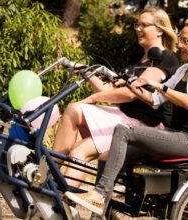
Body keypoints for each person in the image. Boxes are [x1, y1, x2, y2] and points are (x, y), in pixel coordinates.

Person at [80, 10, 188, 216]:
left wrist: (158, 86)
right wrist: (133, 84)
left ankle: (100, 193)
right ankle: (100, 214)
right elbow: (155, 100)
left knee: (123, 131)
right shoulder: (183, 69)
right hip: (174, 135)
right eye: (181, 41)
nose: (180, 46)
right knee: (106, 156)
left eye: (185, 41)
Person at [52, 8, 180, 187]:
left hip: (146, 125)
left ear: (159, 30)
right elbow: (110, 89)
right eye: (137, 24)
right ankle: (51, 177)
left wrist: (94, 97)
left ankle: (54, 189)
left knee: (79, 148)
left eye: (144, 25)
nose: (138, 29)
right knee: (73, 113)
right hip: (124, 117)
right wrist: (86, 71)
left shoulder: (166, 58)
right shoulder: (137, 58)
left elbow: (129, 93)